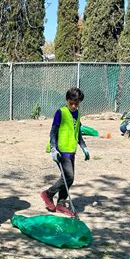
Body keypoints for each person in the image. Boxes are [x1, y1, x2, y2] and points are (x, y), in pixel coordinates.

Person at [40, 88, 90, 217]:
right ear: (67, 100)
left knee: (69, 179)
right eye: (71, 102)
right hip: (61, 150)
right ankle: (48, 194)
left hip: (71, 150)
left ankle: (61, 203)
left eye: (77, 103)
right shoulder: (60, 112)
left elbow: (77, 132)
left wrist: (83, 146)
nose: (74, 106)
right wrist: (53, 148)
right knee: (68, 176)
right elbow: (53, 131)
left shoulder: (77, 114)